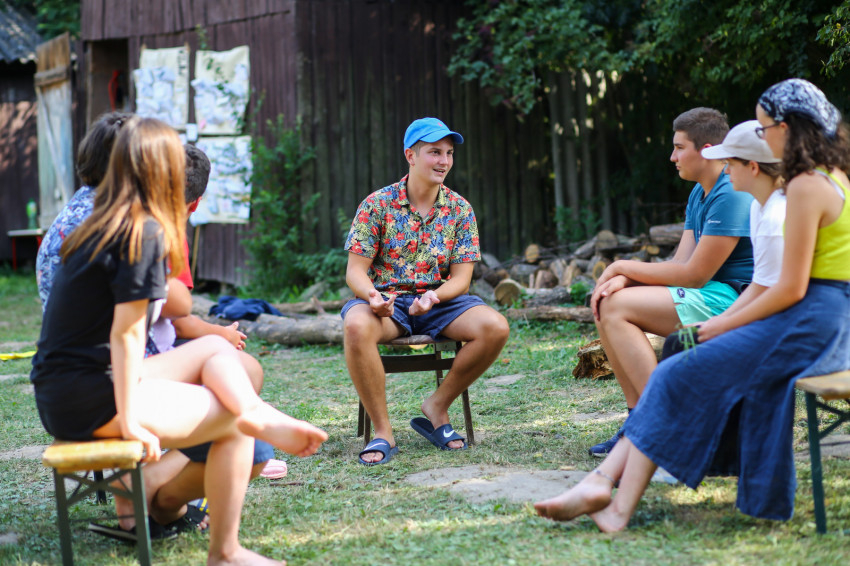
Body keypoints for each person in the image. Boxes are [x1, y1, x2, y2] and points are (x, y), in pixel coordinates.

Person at [534, 78, 850, 531]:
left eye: (764, 128)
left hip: (812, 325)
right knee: (676, 363)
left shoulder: (805, 186)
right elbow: (774, 284)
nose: (762, 137)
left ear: (787, 128)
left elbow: (791, 289)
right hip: (818, 320)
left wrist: (721, 325)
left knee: (674, 371)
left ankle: (609, 492)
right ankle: (608, 493)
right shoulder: (830, 176)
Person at [30, 116, 328, 565]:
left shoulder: (102, 222)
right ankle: (225, 551)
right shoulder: (142, 231)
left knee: (216, 350)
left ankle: (254, 412)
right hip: (91, 397)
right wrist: (130, 420)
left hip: (63, 389)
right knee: (233, 423)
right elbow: (126, 333)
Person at [587, 107, 754, 457]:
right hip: (709, 293)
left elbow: (695, 275)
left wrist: (621, 266)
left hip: (738, 300)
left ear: (707, 150)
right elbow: (680, 264)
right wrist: (625, 279)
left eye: (679, 148)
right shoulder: (699, 192)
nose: (672, 157)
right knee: (606, 299)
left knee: (616, 306)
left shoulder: (731, 192)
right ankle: (638, 423)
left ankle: (660, 423)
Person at [342, 117, 510, 465]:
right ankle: (383, 432)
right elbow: (355, 272)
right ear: (411, 155)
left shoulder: (460, 210)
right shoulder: (376, 204)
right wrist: (373, 296)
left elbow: (462, 279)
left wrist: (434, 297)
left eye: (449, 153)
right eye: (435, 152)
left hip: (440, 303)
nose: (444, 161)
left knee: (495, 327)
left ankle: (437, 406)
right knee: (356, 325)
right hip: (388, 303)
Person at [663, 121, 785, 358]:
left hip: (783, 327)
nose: (726, 171)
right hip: (762, 316)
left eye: (731, 163)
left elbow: (784, 293)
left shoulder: (775, 218)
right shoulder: (759, 209)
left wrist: (723, 325)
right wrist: (720, 322)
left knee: (679, 345)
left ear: (753, 167)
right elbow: (760, 285)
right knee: (678, 343)